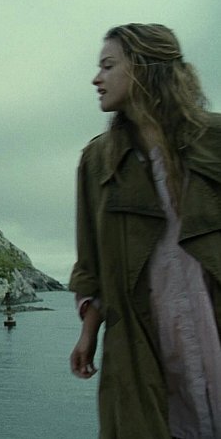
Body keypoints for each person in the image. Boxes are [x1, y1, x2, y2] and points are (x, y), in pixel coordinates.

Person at [69, 23, 221, 438]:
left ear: (144, 68)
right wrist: (88, 333)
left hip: (211, 322)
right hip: (142, 341)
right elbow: (90, 263)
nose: (96, 79)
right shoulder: (97, 161)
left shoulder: (216, 139)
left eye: (108, 66)